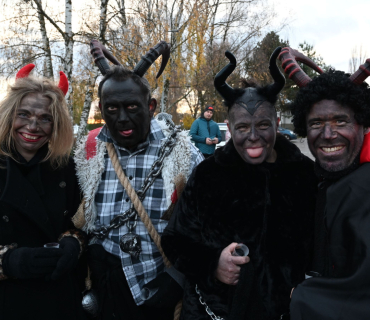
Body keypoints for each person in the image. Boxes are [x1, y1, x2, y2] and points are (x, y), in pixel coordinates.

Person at [161, 47, 317, 320]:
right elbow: (175, 241)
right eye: (243, 128)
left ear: (277, 123)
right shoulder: (208, 175)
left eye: (263, 125)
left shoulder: (304, 175)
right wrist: (213, 264)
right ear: (229, 128)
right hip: (213, 312)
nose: (253, 136)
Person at [73, 40, 203, 320]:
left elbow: (208, 222)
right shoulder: (89, 150)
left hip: (158, 290)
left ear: (151, 105)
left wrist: (178, 278)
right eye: (111, 109)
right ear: (101, 107)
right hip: (103, 290)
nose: (121, 118)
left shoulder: (183, 153)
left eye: (132, 107)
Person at [279, 47, 370, 319]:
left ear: (363, 125)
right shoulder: (312, 180)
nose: (328, 134)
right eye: (316, 123)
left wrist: (304, 297)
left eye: (340, 120)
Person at [0, 64, 86, 320]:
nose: (33, 125)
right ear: (9, 115)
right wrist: (10, 261)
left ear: (55, 123)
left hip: (56, 298)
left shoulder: (66, 168)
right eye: (23, 114)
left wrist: (73, 243)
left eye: (45, 118)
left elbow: (80, 224)